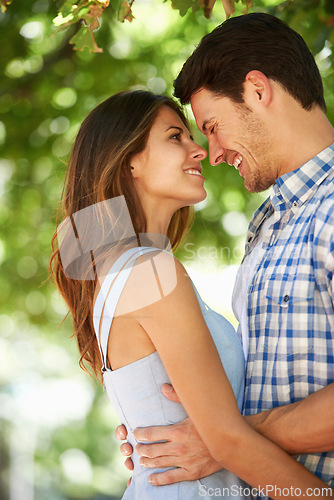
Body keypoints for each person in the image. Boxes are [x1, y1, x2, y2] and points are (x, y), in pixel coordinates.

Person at [50, 89, 332, 500]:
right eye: (174, 137)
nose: (199, 150)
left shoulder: (126, 269)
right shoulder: (151, 272)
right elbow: (227, 442)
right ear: (131, 159)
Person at [115, 12, 334, 493]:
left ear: (257, 90)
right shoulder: (267, 223)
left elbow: (226, 434)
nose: (211, 154)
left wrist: (221, 439)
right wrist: (156, 417)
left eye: (211, 127)